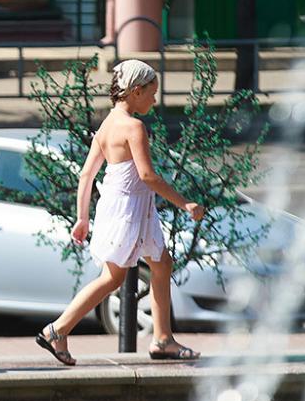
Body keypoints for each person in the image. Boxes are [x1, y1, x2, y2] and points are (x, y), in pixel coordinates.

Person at [36, 60, 204, 366]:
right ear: (136, 91)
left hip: (121, 207)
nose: (154, 100)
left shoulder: (108, 124)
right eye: (152, 93)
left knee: (161, 263)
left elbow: (87, 175)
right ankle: (57, 329)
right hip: (129, 209)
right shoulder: (133, 127)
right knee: (113, 277)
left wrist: (82, 217)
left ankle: (162, 338)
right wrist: (185, 203)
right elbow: (148, 177)